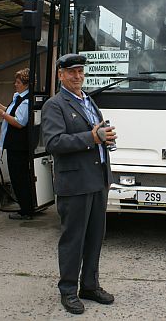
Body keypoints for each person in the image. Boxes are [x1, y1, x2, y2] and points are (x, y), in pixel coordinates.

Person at [41, 54, 117, 315]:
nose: (77, 76)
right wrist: (92, 137)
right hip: (74, 183)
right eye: (71, 72)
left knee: (95, 237)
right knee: (73, 239)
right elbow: (53, 143)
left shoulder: (89, 101)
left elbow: (97, 132)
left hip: (97, 180)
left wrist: (105, 138)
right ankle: (68, 291)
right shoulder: (55, 105)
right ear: (60, 75)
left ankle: (90, 285)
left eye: (80, 71)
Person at [0, 68, 34, 220]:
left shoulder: (26, 100)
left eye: (18, 82)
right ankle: (28, 206)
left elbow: (19, 122)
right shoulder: (20, 98)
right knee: (21, 177)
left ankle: (26, 210)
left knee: (19, 178)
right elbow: (12, 112)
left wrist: (1, 114)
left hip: (18, 146)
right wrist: (0, 106)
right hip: (16, 145)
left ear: (26, 84)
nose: (15, 84)